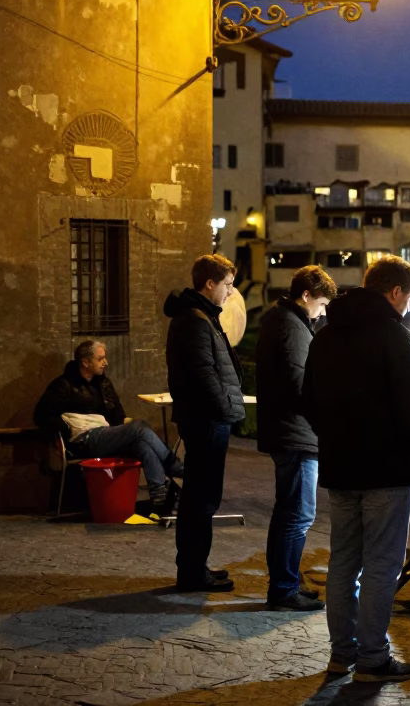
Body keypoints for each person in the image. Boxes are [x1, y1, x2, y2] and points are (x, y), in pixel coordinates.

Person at [302, 255, 410, 683]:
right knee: (380, 566)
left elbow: (308, 401)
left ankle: (343, 655)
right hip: (387, 470)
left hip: (340, 467)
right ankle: (373, 659)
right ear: (395, 293)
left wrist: (336, 437)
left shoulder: (325, 335)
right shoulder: (393, 336)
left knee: (343, 562)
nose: (409, 307)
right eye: (409, 298)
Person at [257, 265, 337, 612]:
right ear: (306, 295)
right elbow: (299, 384)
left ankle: (285, 584)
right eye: (321, 304)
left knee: (288, 512)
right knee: (298, 515)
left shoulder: (282, 320)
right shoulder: (291, 326)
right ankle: (284, 589)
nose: (322, 312)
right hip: (295, 435)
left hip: (288, 432)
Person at [164, 254, 245, 593]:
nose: (230, 292)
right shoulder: (196, 320)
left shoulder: (198, 316)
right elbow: (204, 375)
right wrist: (226, 408)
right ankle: (193, 572)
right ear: (209, 283)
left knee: (202, 496)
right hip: (207, 419)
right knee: (201, 498)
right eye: (227, 285)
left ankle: (196, 566)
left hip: (206, 417)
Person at [34, 341, 185, 516]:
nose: (105, 362)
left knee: (141, 442)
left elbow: (119, 417)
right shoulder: (63, 385)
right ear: (85, 362)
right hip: (85, 439)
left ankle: (159, 495)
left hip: (106, 434)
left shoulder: (103, 383)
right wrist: (66, 430)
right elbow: (41, 415)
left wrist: (134, 426)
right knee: (139, 427)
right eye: (100, 359)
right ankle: (174, 466)